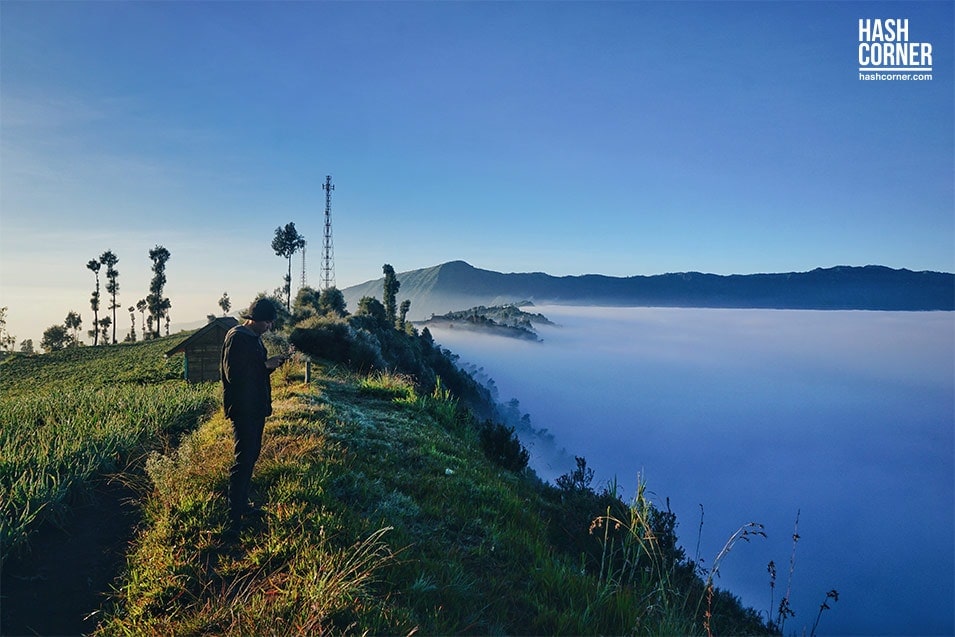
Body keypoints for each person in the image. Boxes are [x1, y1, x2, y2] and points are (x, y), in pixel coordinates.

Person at [220, 297, 285, 529]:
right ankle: (234, 516)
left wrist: (267, 367)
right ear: (255, 320)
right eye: (267, 322)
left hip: (255, 407)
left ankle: (242, 504)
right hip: (243, 409)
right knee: (243, 460)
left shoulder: (254, 338)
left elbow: (253, 372)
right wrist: (265, 366)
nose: (269, 327)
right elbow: (234, 375)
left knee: (251, 458)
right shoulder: (237, 338)